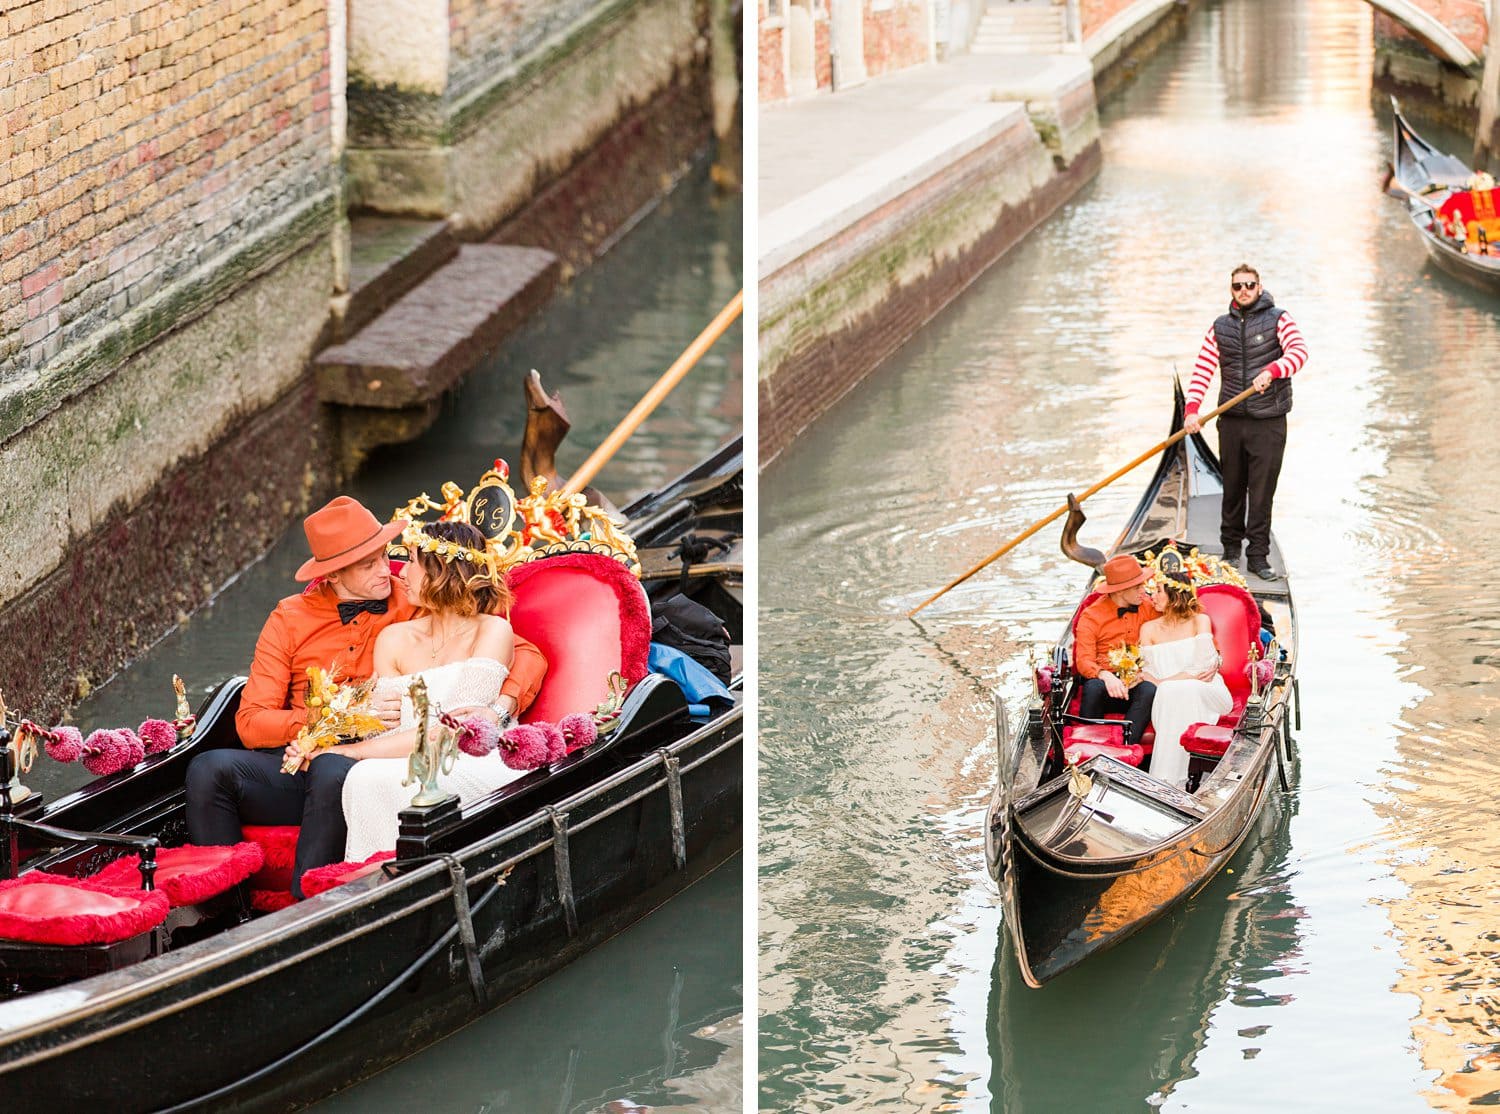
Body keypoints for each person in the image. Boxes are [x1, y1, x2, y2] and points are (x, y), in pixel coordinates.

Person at [185, 496, 548, 897]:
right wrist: (337, 717)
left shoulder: (412, 600)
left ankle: (306, 903)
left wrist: (500, 707)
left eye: (384, 556)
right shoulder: (289, 619)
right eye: (369, 564)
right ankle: (224, 907)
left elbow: (525, 653)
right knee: (208, 770)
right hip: (303, 761)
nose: (387, 570)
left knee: (332, 768)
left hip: (370, 757)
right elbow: (251, 724)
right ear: (333, 575)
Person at [335, 521, 529, 861]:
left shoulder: (494, 630)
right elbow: (392, 722)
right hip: (407, 756)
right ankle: (373, 874)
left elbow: (452, 731)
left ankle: (386, 875)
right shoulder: (393, 638)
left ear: (443, 572)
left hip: (471, 758)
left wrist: (354, 752)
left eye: (411, 561)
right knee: (366, 777)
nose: (402, 572)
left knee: (366, 775)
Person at [1183, 264, 1308, 582]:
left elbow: (1299, 352)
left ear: (1259, 286)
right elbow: (1203, 369)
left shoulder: (1280, 318)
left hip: (1268, 422)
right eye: (1237, 286)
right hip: (1232, 420)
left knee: (1262, 491)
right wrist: (1192, 410)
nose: (1243, 290)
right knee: (1233, 489)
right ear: (1232, 290)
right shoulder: (1219, 327)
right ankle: (1229, 552)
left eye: (1249, 285)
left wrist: (1274, 370)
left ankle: (1257, 556)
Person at [1139, 567, 1231, 791]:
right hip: (1167, 696)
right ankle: (1177, 779)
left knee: (1173, 691)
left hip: (1206, 689)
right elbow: (1146, 670)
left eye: (1158, 590)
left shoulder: (1200, 620)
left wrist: (1165, 684)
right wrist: (1162, 685)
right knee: (1172, 692)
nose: (1153, 596)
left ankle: (1166, 780)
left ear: (1175, 595)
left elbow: (1202, 666)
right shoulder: (1148, 628)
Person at [1073, 555, 1159, 751]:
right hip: (1104, 687)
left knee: (1149, 689)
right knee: (1094, 687)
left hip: (1136, 685)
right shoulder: (1092, 615)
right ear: (1121, 590)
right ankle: (1090, 747)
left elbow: (1175, 624)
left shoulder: (1148, 607)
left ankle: (1125, 748)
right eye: (1138, 587)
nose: (1143, 591)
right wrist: (1105, 675)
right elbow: (1084, 660)